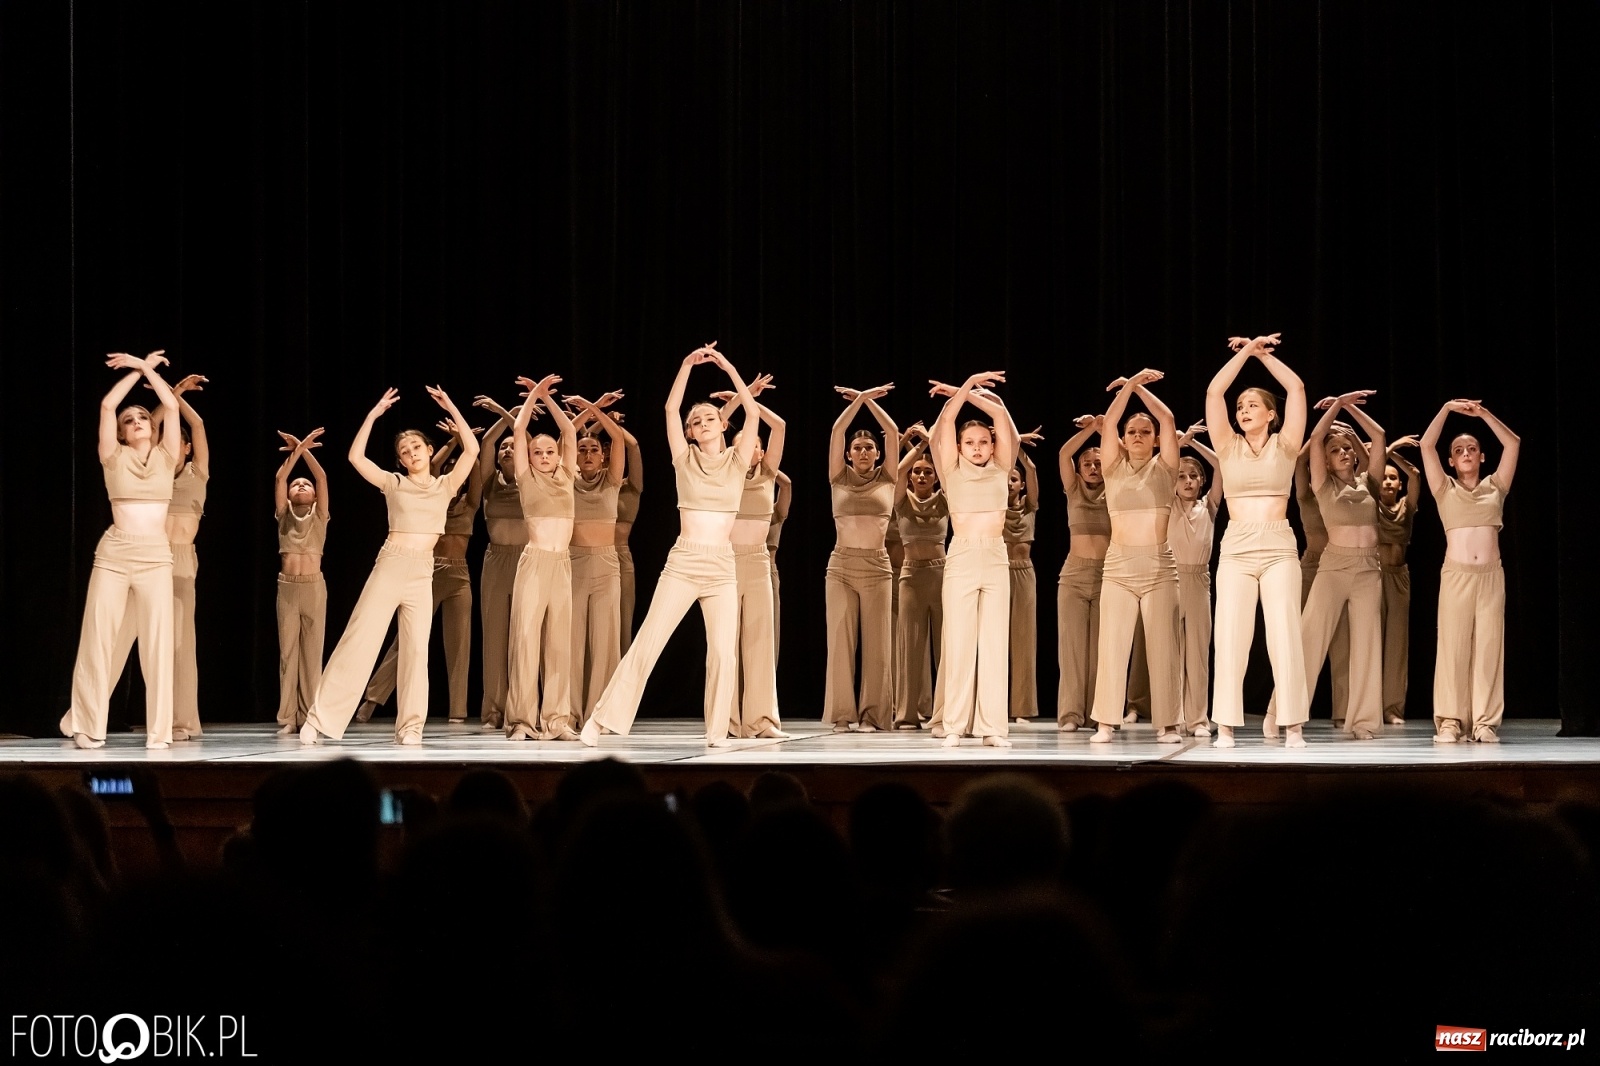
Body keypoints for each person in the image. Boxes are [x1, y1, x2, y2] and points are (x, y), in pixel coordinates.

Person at [580, 343, 761, 747]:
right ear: (691, 432)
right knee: (649, 642)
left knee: (723, 653)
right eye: (697, 420)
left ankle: (717, 733)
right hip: (685, 560)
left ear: (722, 425)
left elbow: (751, 412)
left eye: (711, 417)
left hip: (722, 566)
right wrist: (685, 365)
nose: (704, 422)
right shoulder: (685, 459)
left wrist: (729, 367)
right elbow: (668, 410)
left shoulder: (737, 460)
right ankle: (600, 720)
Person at [300, 386, 479, 746]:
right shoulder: (393, 482)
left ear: (430, 450)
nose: (410, 452)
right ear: (399, 460)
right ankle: (319, 719)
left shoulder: (446, 485)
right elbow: (355, 457)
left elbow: (472, 449)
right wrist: (374, 414)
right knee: (360, 638)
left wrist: (451, 407)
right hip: (392, 563)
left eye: (416, 446)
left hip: (423, 570)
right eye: (403, 451)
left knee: (416, 650)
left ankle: (411, 727)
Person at [62, 352, 184, 749]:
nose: (137, 423)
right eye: (129, 422)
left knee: (157, 644)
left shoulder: (168, 456)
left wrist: (148, 367)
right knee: (98, 638)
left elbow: (169, 404)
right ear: (120, 433)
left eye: (142, 418)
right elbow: (107, 404)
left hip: (155, 557)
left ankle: (159, 732)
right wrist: (134, 370)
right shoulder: (111, 456)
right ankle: (86, 725)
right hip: (114, 555)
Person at [1204, 333, 1309, 748]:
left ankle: (1294, 725)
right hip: (1237, 544)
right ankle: (1226, 726)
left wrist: (1265, 357)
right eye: (1240, 407)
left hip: (1279, 543)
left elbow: (1296, 388)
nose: (1243, 410)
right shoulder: (1227, 445)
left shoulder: (1287, 444)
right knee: (1231, 633)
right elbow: (1215, 390)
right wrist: (1246, 352)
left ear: (1270, 415)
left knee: (1284, 632)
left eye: (1251, 406)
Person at [355, 416, 483, 725]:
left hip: (459, 574)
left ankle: (457, 712)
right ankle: (373, 697)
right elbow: (425, 463)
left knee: (458, 644)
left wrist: (460, 439)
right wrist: (451, 440)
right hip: (427, 568)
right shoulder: (424, 487)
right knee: (404, 643)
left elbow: (472, 456)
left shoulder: (463, 500)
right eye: (406, 451)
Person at [104, 372, 211, 740]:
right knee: (123, 636)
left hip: (180, 562)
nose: (176, 446)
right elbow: (149, 424)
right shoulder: (156, 470)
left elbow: (195, 423)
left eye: (181, 443)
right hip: (147, 555)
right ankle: (88, 711)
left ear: (188, 449)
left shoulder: (199, 472)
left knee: (179, 644)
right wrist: (171, 393)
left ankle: (181, 721)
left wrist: (178, 397)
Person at [1285, 391, 1388, 739]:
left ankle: (1362, 722)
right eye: (1336, 451)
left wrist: (1349, 411)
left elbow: (1379, 438)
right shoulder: (1323, 487)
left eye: (1346, 450)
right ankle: (1283, 711)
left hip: (1368, 570)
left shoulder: (1369, 484)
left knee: (1366, 644)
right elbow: (1315, 439)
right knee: (1309, 638)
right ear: (1326, 462)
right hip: (1333, 566)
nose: (1343, 453)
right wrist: (1335, 407)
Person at [1088, 372, 1184, 744]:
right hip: (1119, 566)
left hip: (1160, 565)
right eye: (1133, 433)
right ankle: (1106, 721)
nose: (1139, 436)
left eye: (1146, 432)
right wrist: (1127, 387)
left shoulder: (1167, 467)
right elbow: (1109, 421)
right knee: (1112, 643)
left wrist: (1141, 388)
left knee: (1164, 646)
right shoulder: (1112, 467)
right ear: (1123, 441)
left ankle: (1169, 723)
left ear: (1156, 440)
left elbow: (1170, 420)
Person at [1418, 399, 1519, 744]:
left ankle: (1485, 722)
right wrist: (1445, 409)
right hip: (1457, 576)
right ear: (1450, 460)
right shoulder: (1444, 488)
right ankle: (1450, 720)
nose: (1465, 453)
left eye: (1472, 448)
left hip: (1491, 576)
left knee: (1490, 647)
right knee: (1453, 648)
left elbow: (1513, 443)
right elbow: (1426, 444)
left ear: (1481, 457)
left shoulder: (1496, 486)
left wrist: (1484, 414)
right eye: (1459, 449)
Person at [927, 374, 1019, 748]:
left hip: (996, 555)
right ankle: (954, 725)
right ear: (960, 447)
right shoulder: (950, 469)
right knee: (960, 641)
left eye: (983, 442)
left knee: (994, 642)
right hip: (962, 553)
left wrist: (976, 396)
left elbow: (1003, 419)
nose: (978, 447)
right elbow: (946, 421)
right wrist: (966, 386)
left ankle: (992, 727)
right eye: (970, 443)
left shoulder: (1001, 467)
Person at [503, 375, 581, 741]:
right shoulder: (525, 477)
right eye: (539, 452)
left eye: (550, 451)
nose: (546, 456)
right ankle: (520, 720)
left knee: (558, 645)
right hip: (534, 563)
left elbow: (568, 430)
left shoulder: (567, 475)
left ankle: (556, 719)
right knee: (525, 640)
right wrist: (535, 394)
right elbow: (519, 431)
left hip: (562, 565)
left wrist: (549, 399)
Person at [711, 377, 787, 738]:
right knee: (726, 644)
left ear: (760, 452)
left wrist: (748, 401)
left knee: (758, 643)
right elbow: (715, 428)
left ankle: (761, 720)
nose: (747, 450)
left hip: (757, 561)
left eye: (753, 445)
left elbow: (780, 426)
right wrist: (738, 402)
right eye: (738, 444)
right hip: (726, 561)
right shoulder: (724, 473)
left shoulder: (769, 473)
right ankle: (725, 720)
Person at [824, 385, 901, 732]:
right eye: (857, 447)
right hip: (841, 566)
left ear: (878, 453)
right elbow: (838, 430)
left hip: (877, 567)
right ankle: (842, 714)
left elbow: (894, 433)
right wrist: (859, 401)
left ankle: (873, 715)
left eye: (870, 446)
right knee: (840, 641)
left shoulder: (888, 477)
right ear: (848, 454)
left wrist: (870, 401)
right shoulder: (838, 477)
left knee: (877, 646)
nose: (864, 451)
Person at [564, 390, 634, 727]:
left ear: (603, 457)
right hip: (573, 564)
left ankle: (600, 713)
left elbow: (618, 438)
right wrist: (586, 416)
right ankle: (571, 711)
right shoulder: (566, 481)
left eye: (594, 449)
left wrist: (594, 408)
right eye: (582, 449)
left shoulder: (611, 481)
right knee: (573, 642)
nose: (588, 453)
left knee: (606, 642)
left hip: (607, 565)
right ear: (574, 456)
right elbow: (564, 434)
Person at [467, 395, 533, 729]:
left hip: (526, 560)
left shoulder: (531, 477)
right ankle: (493, 710)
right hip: (496, 560)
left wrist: (513, 416)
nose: (507, 449)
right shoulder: (491, 483)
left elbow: (527, 439)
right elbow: (487, 441)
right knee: (494, 637)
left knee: (524, 636)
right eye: (504, 448)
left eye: (512, 446)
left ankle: (522, 707)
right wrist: (504, 415)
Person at [273, 428, 330, 737]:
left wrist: (304, 448)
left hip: (313, 587)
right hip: (288, 587)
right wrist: (296, 453)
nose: (301, 484)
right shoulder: (283, 514)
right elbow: (280, 479)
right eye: (298, 483)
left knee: (312, 654)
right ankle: (287, 717)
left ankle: (310, 714)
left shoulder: (320, 515)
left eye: (305, 483)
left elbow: (321, 477)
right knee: (288, 653)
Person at [892, 425, 947, 729]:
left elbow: (948, 469)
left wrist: (933, 444)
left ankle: (944, 711)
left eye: (928, 472)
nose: (923, 476)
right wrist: (920, 444)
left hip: (941, 574)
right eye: (918, 472)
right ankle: (907, 713)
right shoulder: (902, 501)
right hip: (911, 576)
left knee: (944, 647)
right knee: (910, 648)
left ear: (935, 476)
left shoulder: (944, 498)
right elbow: (898, 471)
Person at [1056, 416, 1109, 731]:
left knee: (1100, 652)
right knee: (1073, 649)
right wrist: (1092, 429)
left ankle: (1097, 714)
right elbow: (1064, 454)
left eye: (1098, 462)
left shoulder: (1116, 487)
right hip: (1074, 575)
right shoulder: (1074, 489)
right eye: (1087, 463)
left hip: (1107, 575)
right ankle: (1071, 715)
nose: (1092, 467)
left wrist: (1108, 434)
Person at [1170, 422, 1223, 736]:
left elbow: (1220, 464)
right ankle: (1174, 717)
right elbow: (1163, 469)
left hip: (1199, 581)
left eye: (1193, 476)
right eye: (1182, 476)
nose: (1188, 481)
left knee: (1198, 655)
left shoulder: (1210, 507)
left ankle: (1198, 719)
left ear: (1202, 481)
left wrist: (1193, 443)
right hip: (1172, 580)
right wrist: (1178, 447)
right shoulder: (1169, 504)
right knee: (1173, 655)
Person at [1377, 435, 1423, 725]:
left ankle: (1392, 707)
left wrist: (1392, 454)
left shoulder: (1407, 506)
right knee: (1371, 642)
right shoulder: (1369, 502)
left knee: (1396, 645)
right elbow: (1370, 476)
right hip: (1374, 576)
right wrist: (1389, 449)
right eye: (1383, 478)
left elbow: (1416, 475)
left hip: (1399, 576)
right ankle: (1369, 706)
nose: (1388, 482)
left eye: (1393, 478)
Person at [1005, 430, 1044, 722]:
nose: (1009, 483)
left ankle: (1022, 708)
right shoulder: (993, 507)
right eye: (1005, 478)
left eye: (1013, 479)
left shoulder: (1030, 508)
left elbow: (1030, 468)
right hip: (997, 571)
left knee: (1023, 641)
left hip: (1024, 572)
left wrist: (1015, 444)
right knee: (995, 640)